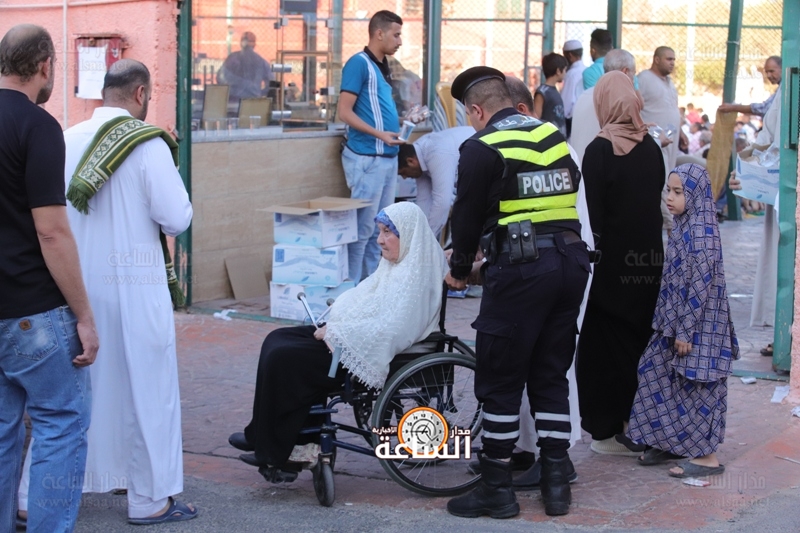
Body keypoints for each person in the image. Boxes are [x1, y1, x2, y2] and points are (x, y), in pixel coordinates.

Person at [21, 59, 195, 526]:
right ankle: (149, 500)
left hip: (76, 290)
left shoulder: (67, 138)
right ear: (140, 94)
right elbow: (176, 218)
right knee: (147, 394)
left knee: (70, 400)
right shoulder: (148, 143)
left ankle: (29, 499)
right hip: (137, 292)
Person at [444, 66, 590, 518]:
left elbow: (466, 216)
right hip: (571, 263)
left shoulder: (482, 146)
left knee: (501, 378)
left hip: (522, 271)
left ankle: (496, 488)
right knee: (550, 374)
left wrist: (460, 269)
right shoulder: (552, 136)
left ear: (476, 110)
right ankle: (556, 484)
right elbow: (563, 193)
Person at [229, 202, 447, 480]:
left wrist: (336, 332)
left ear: (408, 235)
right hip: (350, 334)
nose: (380, 240)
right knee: (276, 339)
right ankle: (260, 434)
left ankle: (279, 451)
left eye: (387, 232)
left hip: (367, 347)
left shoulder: (417, 276)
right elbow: (364, 297)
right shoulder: (395, 266)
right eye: (379, 231)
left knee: (285, 358)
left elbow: (394, 329)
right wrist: (335, 322)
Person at [0, 24, 99, 533]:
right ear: (45, 66)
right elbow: (52, 232)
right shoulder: (37, 126)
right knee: (61, 424)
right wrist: (84, 316)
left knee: (1, 433)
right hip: (33, 312)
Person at [628, 164, 738, 478]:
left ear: (696, 195)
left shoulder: (703, 234)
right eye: (669, 191)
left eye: (679, 192)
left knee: (698, 387)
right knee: (654, 371)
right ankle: (669, 441)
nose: (670, 198)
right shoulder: (683, 225)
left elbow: (699, 287)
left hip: (699, 329)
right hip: (673, 325)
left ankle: (707, 457)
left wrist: (685, 332)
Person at [576, 71, 664, 457]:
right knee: (640, 340)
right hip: (647, 261)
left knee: (603, 346)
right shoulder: (652, 147)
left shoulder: (598, 150)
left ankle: (607, 431)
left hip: (611, 265)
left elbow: (591, 214)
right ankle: (639, 423)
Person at [338, 10, 404, 283]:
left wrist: (403, 122)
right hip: (368, 158)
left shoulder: (383, 66)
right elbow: (344, 112)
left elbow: (376, 110)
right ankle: (353, 290)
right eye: (396, 35)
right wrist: (380, 135)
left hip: (386, 157)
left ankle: (370, 288)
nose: (400, 41)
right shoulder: (359, 63)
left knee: (380, 232)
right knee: (362, 231)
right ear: (379, 33)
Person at [719, 55, 782, 336]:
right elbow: (769, 141)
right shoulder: (782, 94)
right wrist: (747, 171)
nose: (769, 75)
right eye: (766, 71)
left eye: (772, 70)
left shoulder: (784, 94)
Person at [396, 126, 474, 237]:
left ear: (411, 161)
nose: (404, 177)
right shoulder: (418, 155)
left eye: (403, 172)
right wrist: (417, 234)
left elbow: (442, 202)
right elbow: (424, 200)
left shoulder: (435, 152)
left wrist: (426, 238)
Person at [638, 46, 681, 230]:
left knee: (670, 178)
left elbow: (671, 109)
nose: (672, 63)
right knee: (663, 181)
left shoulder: (670, 82)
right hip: (655, 140)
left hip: (671, 139)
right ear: (656, 59)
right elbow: (636, 109)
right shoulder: (644, 79)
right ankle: (671, 225)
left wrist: (681, 132)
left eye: (673, 60)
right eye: (668, 59)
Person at [568, 49, 637, 164]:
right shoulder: (619, 100)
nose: (634, 81)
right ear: (625, 72)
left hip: (579, 165)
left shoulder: (585, 95)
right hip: (600, 167)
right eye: (633, 74)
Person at [218, 31, 273, 102]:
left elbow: (220, 77)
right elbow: (272, 82)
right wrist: (259, 93)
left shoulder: (232, 58)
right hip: (253, 101)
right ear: (254, 44)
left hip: (233, 100)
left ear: (241, 43)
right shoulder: (261, 62)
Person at [534, 53, 568, 138]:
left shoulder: (554, 90)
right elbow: (536, 118)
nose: (565, 73)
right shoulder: (542, 92)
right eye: (565, 70)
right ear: (558, 71)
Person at [561, 39, 586, 138]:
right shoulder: (586, 70)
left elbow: (566, 104)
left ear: (570, 56)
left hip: (572, 121)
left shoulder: (571, 74)